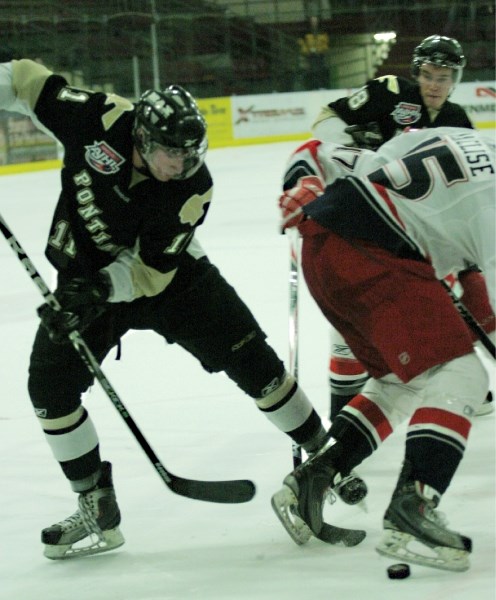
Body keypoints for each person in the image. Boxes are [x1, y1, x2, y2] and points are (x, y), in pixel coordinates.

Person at [0, 58, 335, 560]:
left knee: (255, 365)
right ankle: (96, 509)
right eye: (170, 154)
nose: (181, 164)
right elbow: (26, 78)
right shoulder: (96, 120)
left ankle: (329, 460)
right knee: (49, 390)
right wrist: (85, 291)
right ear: (141, 139)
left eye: (190, 152)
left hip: (174, 281)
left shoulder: (193, 187)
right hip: (83, 279)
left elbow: (151, 271)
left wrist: (95, 292)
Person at [271, 127, 495, 572]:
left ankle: (314, 476)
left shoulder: (467, 139)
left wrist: (305, 182)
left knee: (400, 383)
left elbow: (353, 153)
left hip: (323, 245)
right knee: (463, 377)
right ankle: (413, 508)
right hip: (372, 256)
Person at [310, 34, 493, 419]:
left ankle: (451, 382)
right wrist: (360, 156)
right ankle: (340, 411)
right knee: (349, 330)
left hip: (421, 232)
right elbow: (326, 118)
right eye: (428, 75)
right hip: (362, 220)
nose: (434, 85)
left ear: (455, 79)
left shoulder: (458, 120)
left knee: (450, 302)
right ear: (416, 73)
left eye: (444, 77)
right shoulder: (390, 92)